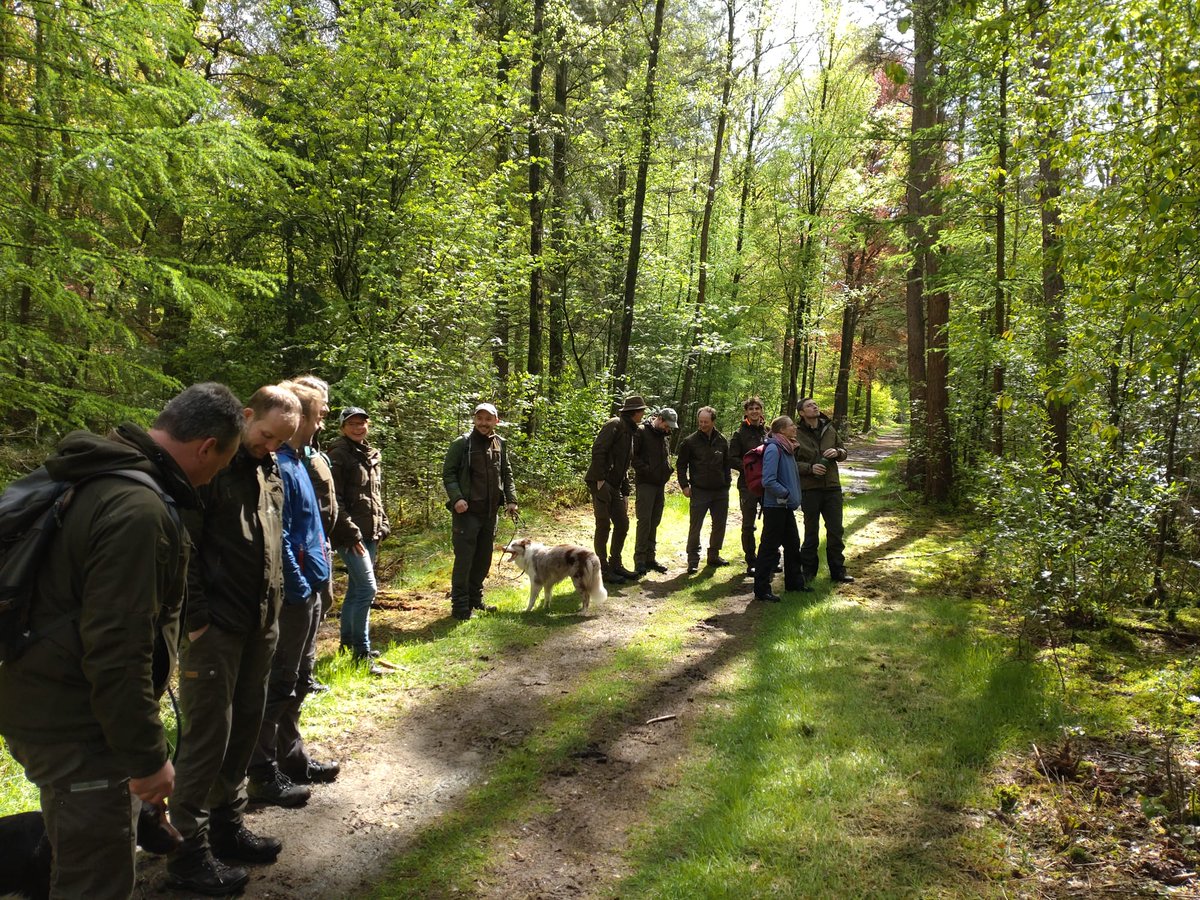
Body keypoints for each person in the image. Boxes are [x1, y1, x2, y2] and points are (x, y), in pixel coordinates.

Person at [0, 382, 243, 900]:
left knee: (80, 853)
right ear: (206, 448)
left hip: (47, 701)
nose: (213, 478)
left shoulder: (102, 477)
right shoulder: (138, 509)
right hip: (76, 726)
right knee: (97, 880)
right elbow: (118, 653)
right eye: (220, 466)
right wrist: (147, 760)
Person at [167, 385, 302, 896]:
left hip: (259, 624)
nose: (271, 446)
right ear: (247, 416)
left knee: (244, 728)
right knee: (206, 738)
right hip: (215, 630)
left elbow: (271, 543)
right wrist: (197, 618)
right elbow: (184, 548)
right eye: (266, 435)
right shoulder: (213, 470)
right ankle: (186, 851)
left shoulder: (269, 470)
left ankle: (228, 826)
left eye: (280, 442)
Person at [246, 382, 339, 800]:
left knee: (300, 678)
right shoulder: (279, 464)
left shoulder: (303, 460)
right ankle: (262, 771)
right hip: (293, 592)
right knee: (280, 681)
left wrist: (323, 578)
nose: (320, 422)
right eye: (317, 415)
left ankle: (293, 757)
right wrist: (299, 588)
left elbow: (311, 525)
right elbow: (278, 535)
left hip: (312, 583)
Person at [442, 402, 518, 620]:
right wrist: (456, 498)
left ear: (496, 421)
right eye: (480, 418)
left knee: (483, 559)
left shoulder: (500, 444)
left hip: (489, 513)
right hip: (466, 514)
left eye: (488, 419)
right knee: (464, 560)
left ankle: (476, 600)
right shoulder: (462, 444)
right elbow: (448, 474)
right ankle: (460, 608)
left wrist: (511, 500)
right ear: (474, 420)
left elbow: (507, 473)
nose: (483, 423)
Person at [328, 406, 391, 667]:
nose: (358, 427)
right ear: (343, 427)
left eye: (362, 423)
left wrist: (383, 523)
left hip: (371, 532)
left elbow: (373, 496)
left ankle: (348, 645)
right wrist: (350, 532)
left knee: (356, 590)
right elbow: (334, 500)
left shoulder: (371, 454)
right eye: (352, 424)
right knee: (367, 588)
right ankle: (362, 653)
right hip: (348, 535)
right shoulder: (337, 454)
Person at [292, 375, 336, 695]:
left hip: (320, 543)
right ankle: (295, 678)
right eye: (320, 408)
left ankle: (304, 675)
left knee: (323, 604)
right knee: (304, 613)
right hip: (302, 550)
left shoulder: (313, 448)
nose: (323, 417)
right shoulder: (290, 453)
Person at [584, 395, 647, 583]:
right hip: (602, 483)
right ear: (635, 412)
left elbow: (625, 464)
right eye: (642, 410)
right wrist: (600, 480)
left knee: (622, 524)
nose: (643, 414)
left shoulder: (631, 430)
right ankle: (602, 569)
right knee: (603, 525)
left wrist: (626, 492)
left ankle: (616, 564)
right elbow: (598, 450)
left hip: (616, 485)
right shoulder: (615, 424)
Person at [795, 398, 855, 584]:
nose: (814, 407)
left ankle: (838, 571)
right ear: (802, 413)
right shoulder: (795, 433)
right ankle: (808, 571)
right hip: (810, 489)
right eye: (809, 406)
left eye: (815, 404)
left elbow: (843, 451)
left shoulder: (829, 428)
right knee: (811, 531)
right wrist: (809, 468)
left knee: (836, 530)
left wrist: (838, 452)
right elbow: (790, 463)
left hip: (832, 487)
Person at [754, 416, 813, 602]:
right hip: (775, 506)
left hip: (785, 507)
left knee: (793, 544)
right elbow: (768, 480)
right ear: (781, 430)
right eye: (791, 426)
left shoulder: (787, 448)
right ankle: (761, 590)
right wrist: (785, 493)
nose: (795, 427)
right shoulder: (773, 448)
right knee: (769, 548)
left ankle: (795, 584)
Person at [676, 406, 732, 574]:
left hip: (720, 491)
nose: (702, 425)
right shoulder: (690, 441)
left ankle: (714, 555)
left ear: (713, 421)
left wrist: (727, 483)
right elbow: (681, 465)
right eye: (700, 421)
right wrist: (684, 485)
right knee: (695, 526)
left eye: (706, 422)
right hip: (699, 490)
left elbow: (727, 464)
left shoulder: (722, 440)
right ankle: (692, 560)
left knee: (719, 525)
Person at [631, 407, 678, 576]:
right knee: (644, 521)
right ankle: (640, 560)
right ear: (659, 419)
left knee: (655, 520)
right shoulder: (641, 432)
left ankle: (651, 558)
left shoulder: (664, 436)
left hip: (659, 485)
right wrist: (647, 470)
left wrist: (668, 470)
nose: (669, 429)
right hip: (645, 484)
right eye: (667, 425)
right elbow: (633, 457)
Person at [727, 397, 767, 577]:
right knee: (748, 524)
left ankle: (770, 559)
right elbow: (731, 459)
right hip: (748, 485)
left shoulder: (768, 432)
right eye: (751, 409)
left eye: (757, 408)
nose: (754, 411)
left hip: (768, 484)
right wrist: (751, 466)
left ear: (761, 411)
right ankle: (751, 560)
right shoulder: (739, 434)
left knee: (772, 522)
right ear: (746, 412)